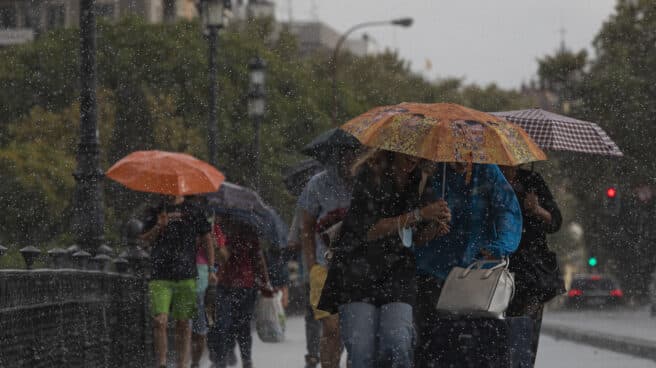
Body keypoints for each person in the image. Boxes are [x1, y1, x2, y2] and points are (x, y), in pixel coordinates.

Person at [318, 150, 451, 368]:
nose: (413, 158)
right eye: (408, 152)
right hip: (357, 270)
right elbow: (369, 230)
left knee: (397, 342)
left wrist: (436, 226)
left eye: (417, 152)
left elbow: (416, 238)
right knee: (362, 351)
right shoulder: (371, 173)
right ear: (395, 146)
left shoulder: (421, 179)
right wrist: (419, 215)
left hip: (397, 271)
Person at [413, 163, 522, 368]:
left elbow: (507, 211)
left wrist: (499, 246)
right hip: (432, 271)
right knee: (431, 342)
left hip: (474, 274)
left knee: (480, 342)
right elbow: (412, 222)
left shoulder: (487, 171)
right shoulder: (430, 170)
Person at [140, 195, 217, 368]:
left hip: (186, 275)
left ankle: (182, 364)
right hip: (160, 275)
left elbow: (207, 239)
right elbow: (144, 241)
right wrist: (159, 226)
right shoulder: (156, 210)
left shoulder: (194, 210)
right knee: (160, 321)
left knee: (183, 323)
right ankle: (162, 364)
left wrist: (212, 269)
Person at [298, 153, 356, 368]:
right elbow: (306, 226)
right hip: (325, 267)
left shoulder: (368, 182)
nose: (351, 160)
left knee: (353, 332)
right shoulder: (318, 183)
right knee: (332, 328)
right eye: (347, 156)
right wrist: (312, 265)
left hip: (358, 269)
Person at [501, 165, 562, 366]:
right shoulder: (488, 178)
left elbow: (555, 221)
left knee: (525, 328)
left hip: (532, 270)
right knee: (501, 331)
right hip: (499, 266)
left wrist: (537, 210)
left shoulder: (532, 180)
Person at [208, 220, 273, 368]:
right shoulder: (230, 231)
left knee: (230, 324)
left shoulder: (233, 232)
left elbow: (257, 258)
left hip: (239, 284)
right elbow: (258, 258)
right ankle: (235, 358)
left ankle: (232, 359)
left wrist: (265, 280)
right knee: (231, 324)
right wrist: (265, 281)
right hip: (234, 283)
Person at [191, 211, 229, 368]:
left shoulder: (215, 229)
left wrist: (214, 244)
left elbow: (223, 256)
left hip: (209, 282)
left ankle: (211, 358)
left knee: (209, 321)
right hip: (188, 275)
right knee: (194, 323)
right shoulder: (185, 225)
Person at [288, 208, 322, 368]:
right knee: (337, 314)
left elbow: (293, 242)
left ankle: (314, 354)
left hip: (312, 270)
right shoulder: (345, 198)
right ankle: (332, 349)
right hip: (338, 271)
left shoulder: (304, 208)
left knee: (313, 315)